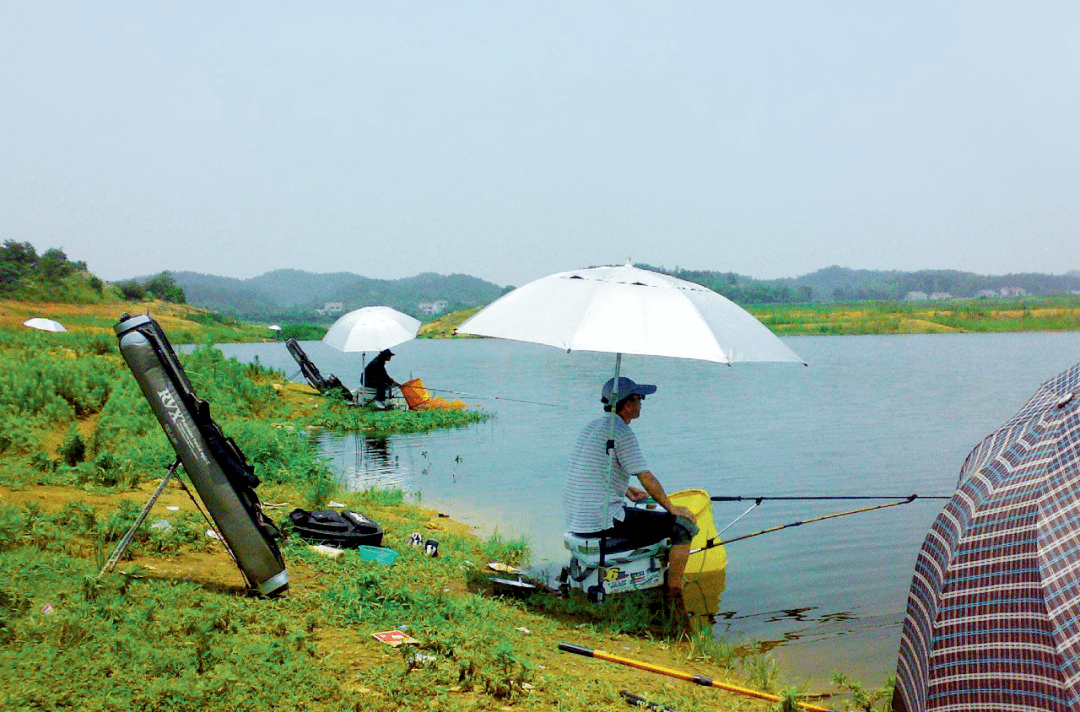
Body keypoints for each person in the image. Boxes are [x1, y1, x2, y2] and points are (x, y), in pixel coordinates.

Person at [563, 376, 698, 595]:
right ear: (628, 403)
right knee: (683, 527)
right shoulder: (621, 431)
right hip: (602, 519)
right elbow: (646, 477)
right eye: (639, 398)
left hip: (578, 517)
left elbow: (591, 470)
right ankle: (675, 590)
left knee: (645, 515)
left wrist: (625, 489)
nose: (642, 403)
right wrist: (672, 508)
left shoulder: (593, 427)